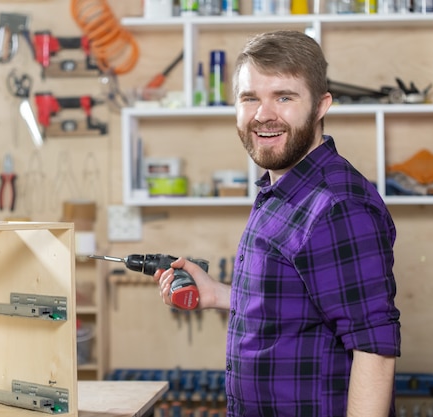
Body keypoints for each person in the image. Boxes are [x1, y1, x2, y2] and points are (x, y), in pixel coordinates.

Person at [154, 30, 401, 417]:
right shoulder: (282, 190)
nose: (263, 114)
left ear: (321, 106)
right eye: (250, 97)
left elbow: (374, 348)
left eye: (284, 97)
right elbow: (295, 303)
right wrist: (218, 295)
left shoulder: (337, 205)